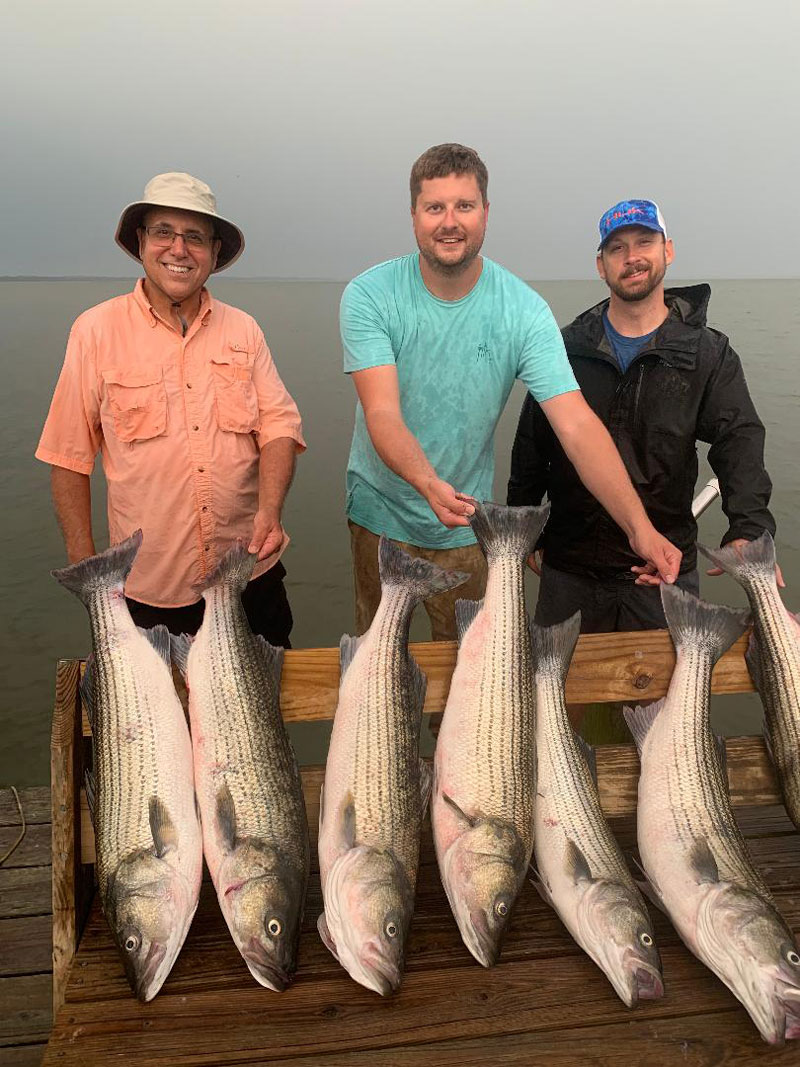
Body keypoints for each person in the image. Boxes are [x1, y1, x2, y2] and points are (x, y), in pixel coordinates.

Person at [341, 146, 682, 640]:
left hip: (465, 521)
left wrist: (639, 528)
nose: (449, 222)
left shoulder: (524, 311)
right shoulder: (370, 295)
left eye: (465, 205)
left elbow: (577, 424)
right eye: (434, 207)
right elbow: (382, 412)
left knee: (470, 686)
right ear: (414, 215)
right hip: (377, 516)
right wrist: (426, 481)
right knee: (374, 673)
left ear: (486, 212)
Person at [36, 172, 305, 646]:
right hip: (149, 592)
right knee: (159, 721)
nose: (179, 250)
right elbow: (68, 456)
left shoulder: (245, 331)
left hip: (249, 577)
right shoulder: (94, 332)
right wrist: (92, 579)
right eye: (164, 232)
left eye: (195, 238)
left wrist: (271, 508)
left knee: (264, 716)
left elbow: (279, 425)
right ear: (141, 242)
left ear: (215, 253)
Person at [508, 197, 777, 634]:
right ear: (601, 265)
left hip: (663, 568)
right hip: (569, 567)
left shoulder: (707, 353)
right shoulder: (567, 347)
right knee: (558, 699)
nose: (632, 258)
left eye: (644, 242)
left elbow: (739, 438)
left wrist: (748, 525)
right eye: (617, 248)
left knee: (668, 702)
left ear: (667, 251)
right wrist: (524, 525)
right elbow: (533, 444)